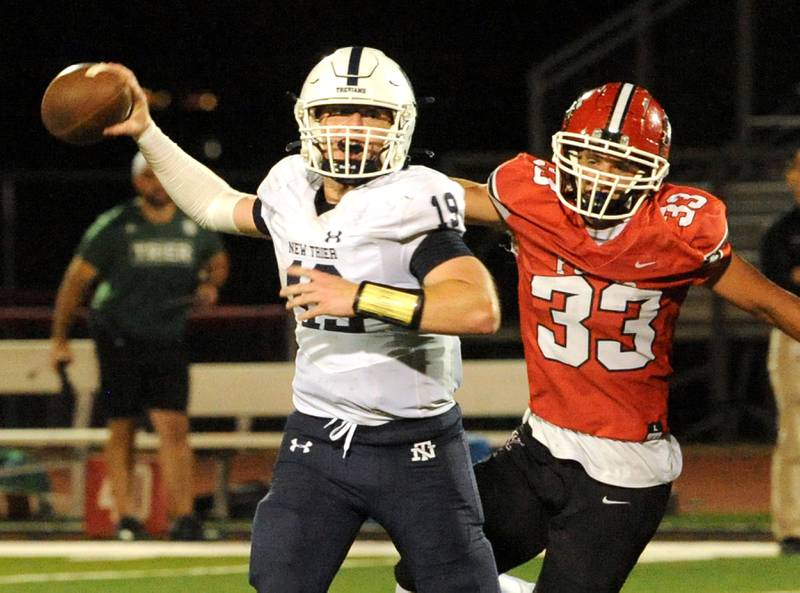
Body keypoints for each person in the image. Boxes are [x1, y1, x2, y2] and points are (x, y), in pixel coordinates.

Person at [101, 47, 502, 593]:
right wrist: (147, 132)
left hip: (415, 446)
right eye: (339, 110)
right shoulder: (289, 186)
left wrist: (361, 297)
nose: (355, 128)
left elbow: (476, 308)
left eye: (374, 115)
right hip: (317, 438)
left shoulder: (413, 197)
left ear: (401, 125)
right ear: (309, 118)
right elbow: (217, 205)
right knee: (279, 581)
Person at [394, 82, 800, 593]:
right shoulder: (533, 200)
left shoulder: (677, 230)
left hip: (626, 468)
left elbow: (767, 299)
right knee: (425, 570)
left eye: (623, 164)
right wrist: (362, 181)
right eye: (591, 156)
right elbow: (450, 195)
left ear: (652, 174)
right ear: (565, 151)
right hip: (539, 446)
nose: (602, 175)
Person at [50, 152, 230, 541]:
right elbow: (75, 281)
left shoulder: (192, 224)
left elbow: (217, 260)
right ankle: (127, 517)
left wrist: (209, 285)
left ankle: (184, 517)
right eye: (148, 176)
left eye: (161, 175)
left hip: (167, 337)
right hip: (118, 335)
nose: (156, 183)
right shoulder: (116, 225)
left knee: (174, 425)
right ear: (137, 182)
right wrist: (59, 338)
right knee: (123, 425)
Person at [760, 149, 800, 555]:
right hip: (792, 335)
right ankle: (792, 529)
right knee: (796, 432)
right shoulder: (782, 231)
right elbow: (777, 286)